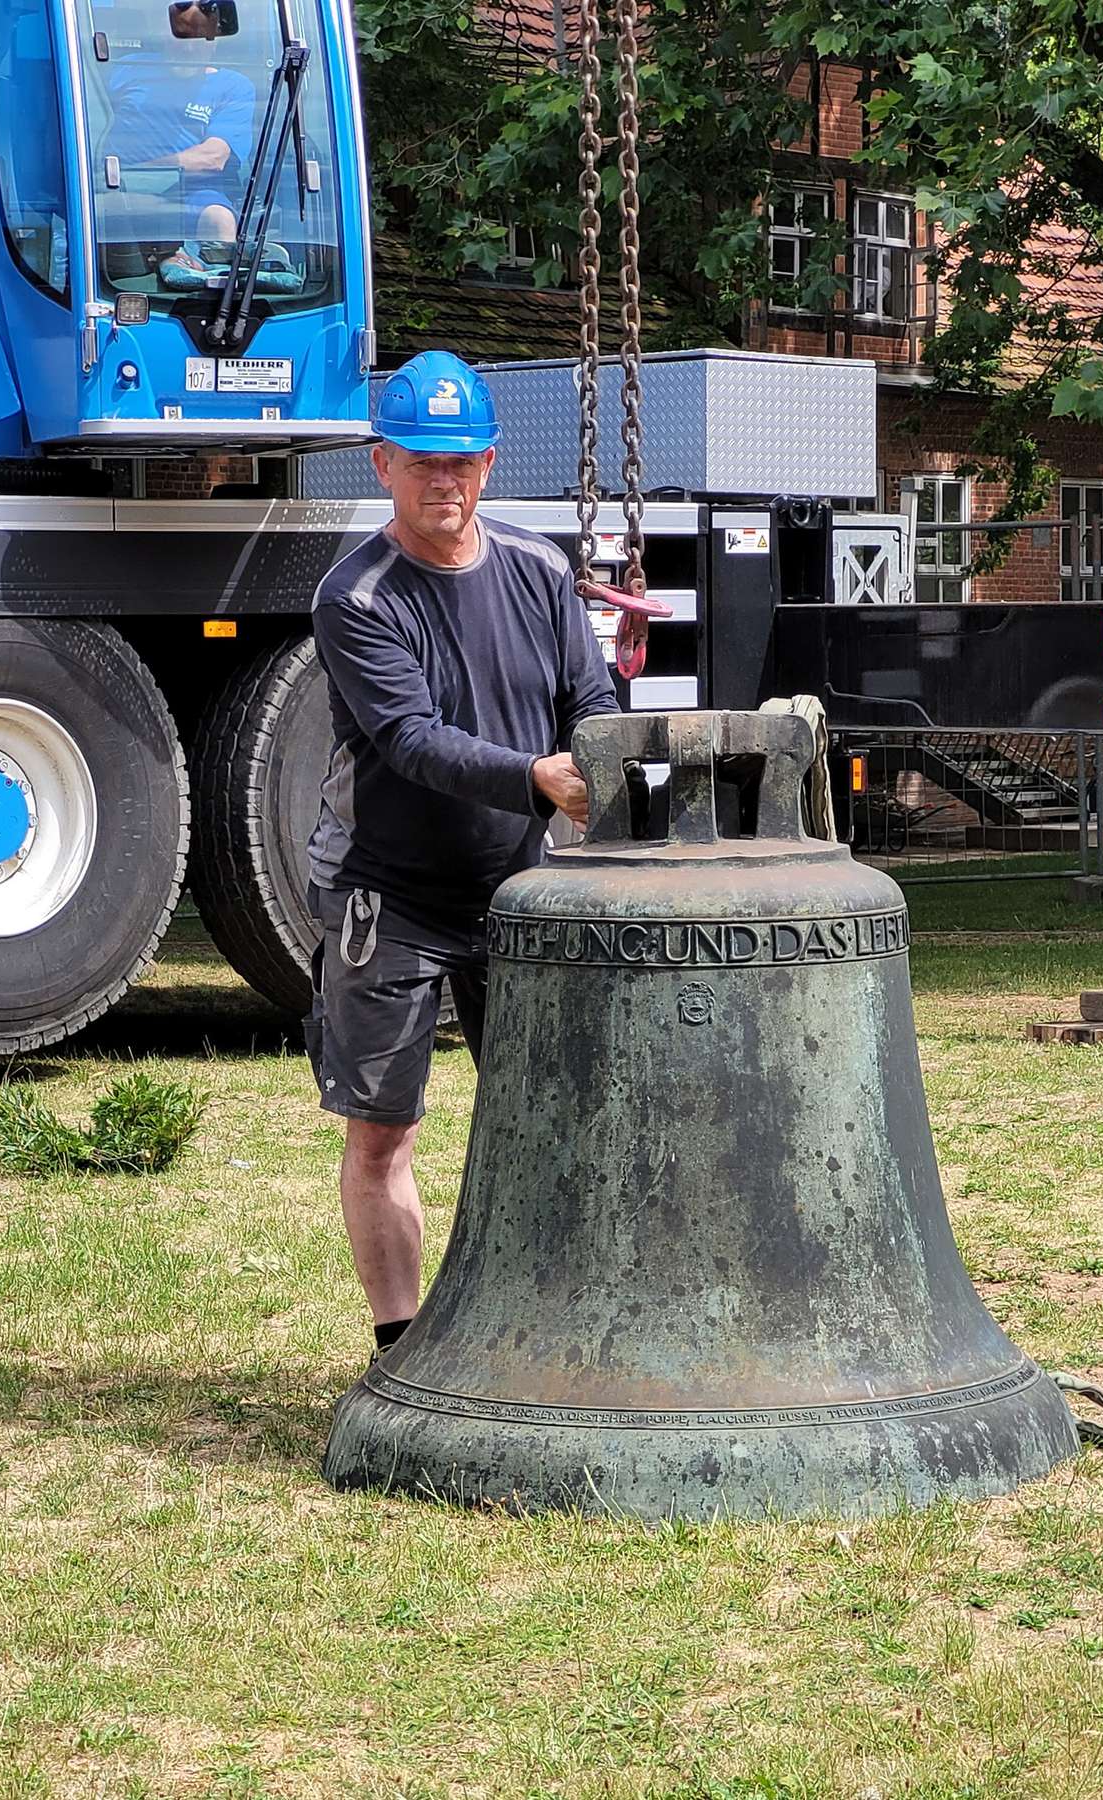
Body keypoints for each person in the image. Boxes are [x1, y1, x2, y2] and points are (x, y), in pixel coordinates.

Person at [304, 352, 618, 1358]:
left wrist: (598, 762)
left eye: (462, 461)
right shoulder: (356, 598)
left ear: (488, 463)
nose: (445, 480)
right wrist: (538, 777)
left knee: (541, 1115)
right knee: (383, 1132)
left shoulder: (539, 569)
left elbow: (590, 698)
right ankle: (399, 1350)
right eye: (422, 462)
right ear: (383, 466)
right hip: (387, 894)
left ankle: (537, 1334)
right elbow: (410, 740)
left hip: (516, 891)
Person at [100, 2, 256, 287]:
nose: (189, 47)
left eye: (199, 38)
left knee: (219, 219)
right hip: (120, 187)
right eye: (182, 36)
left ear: (214, 40)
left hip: (194, 191)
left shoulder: (233, 86)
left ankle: (216, 300)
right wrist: (119, 177)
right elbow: (91, 121)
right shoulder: (127, 69)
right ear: (166, 34)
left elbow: (213, 157)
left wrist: (144, 171)